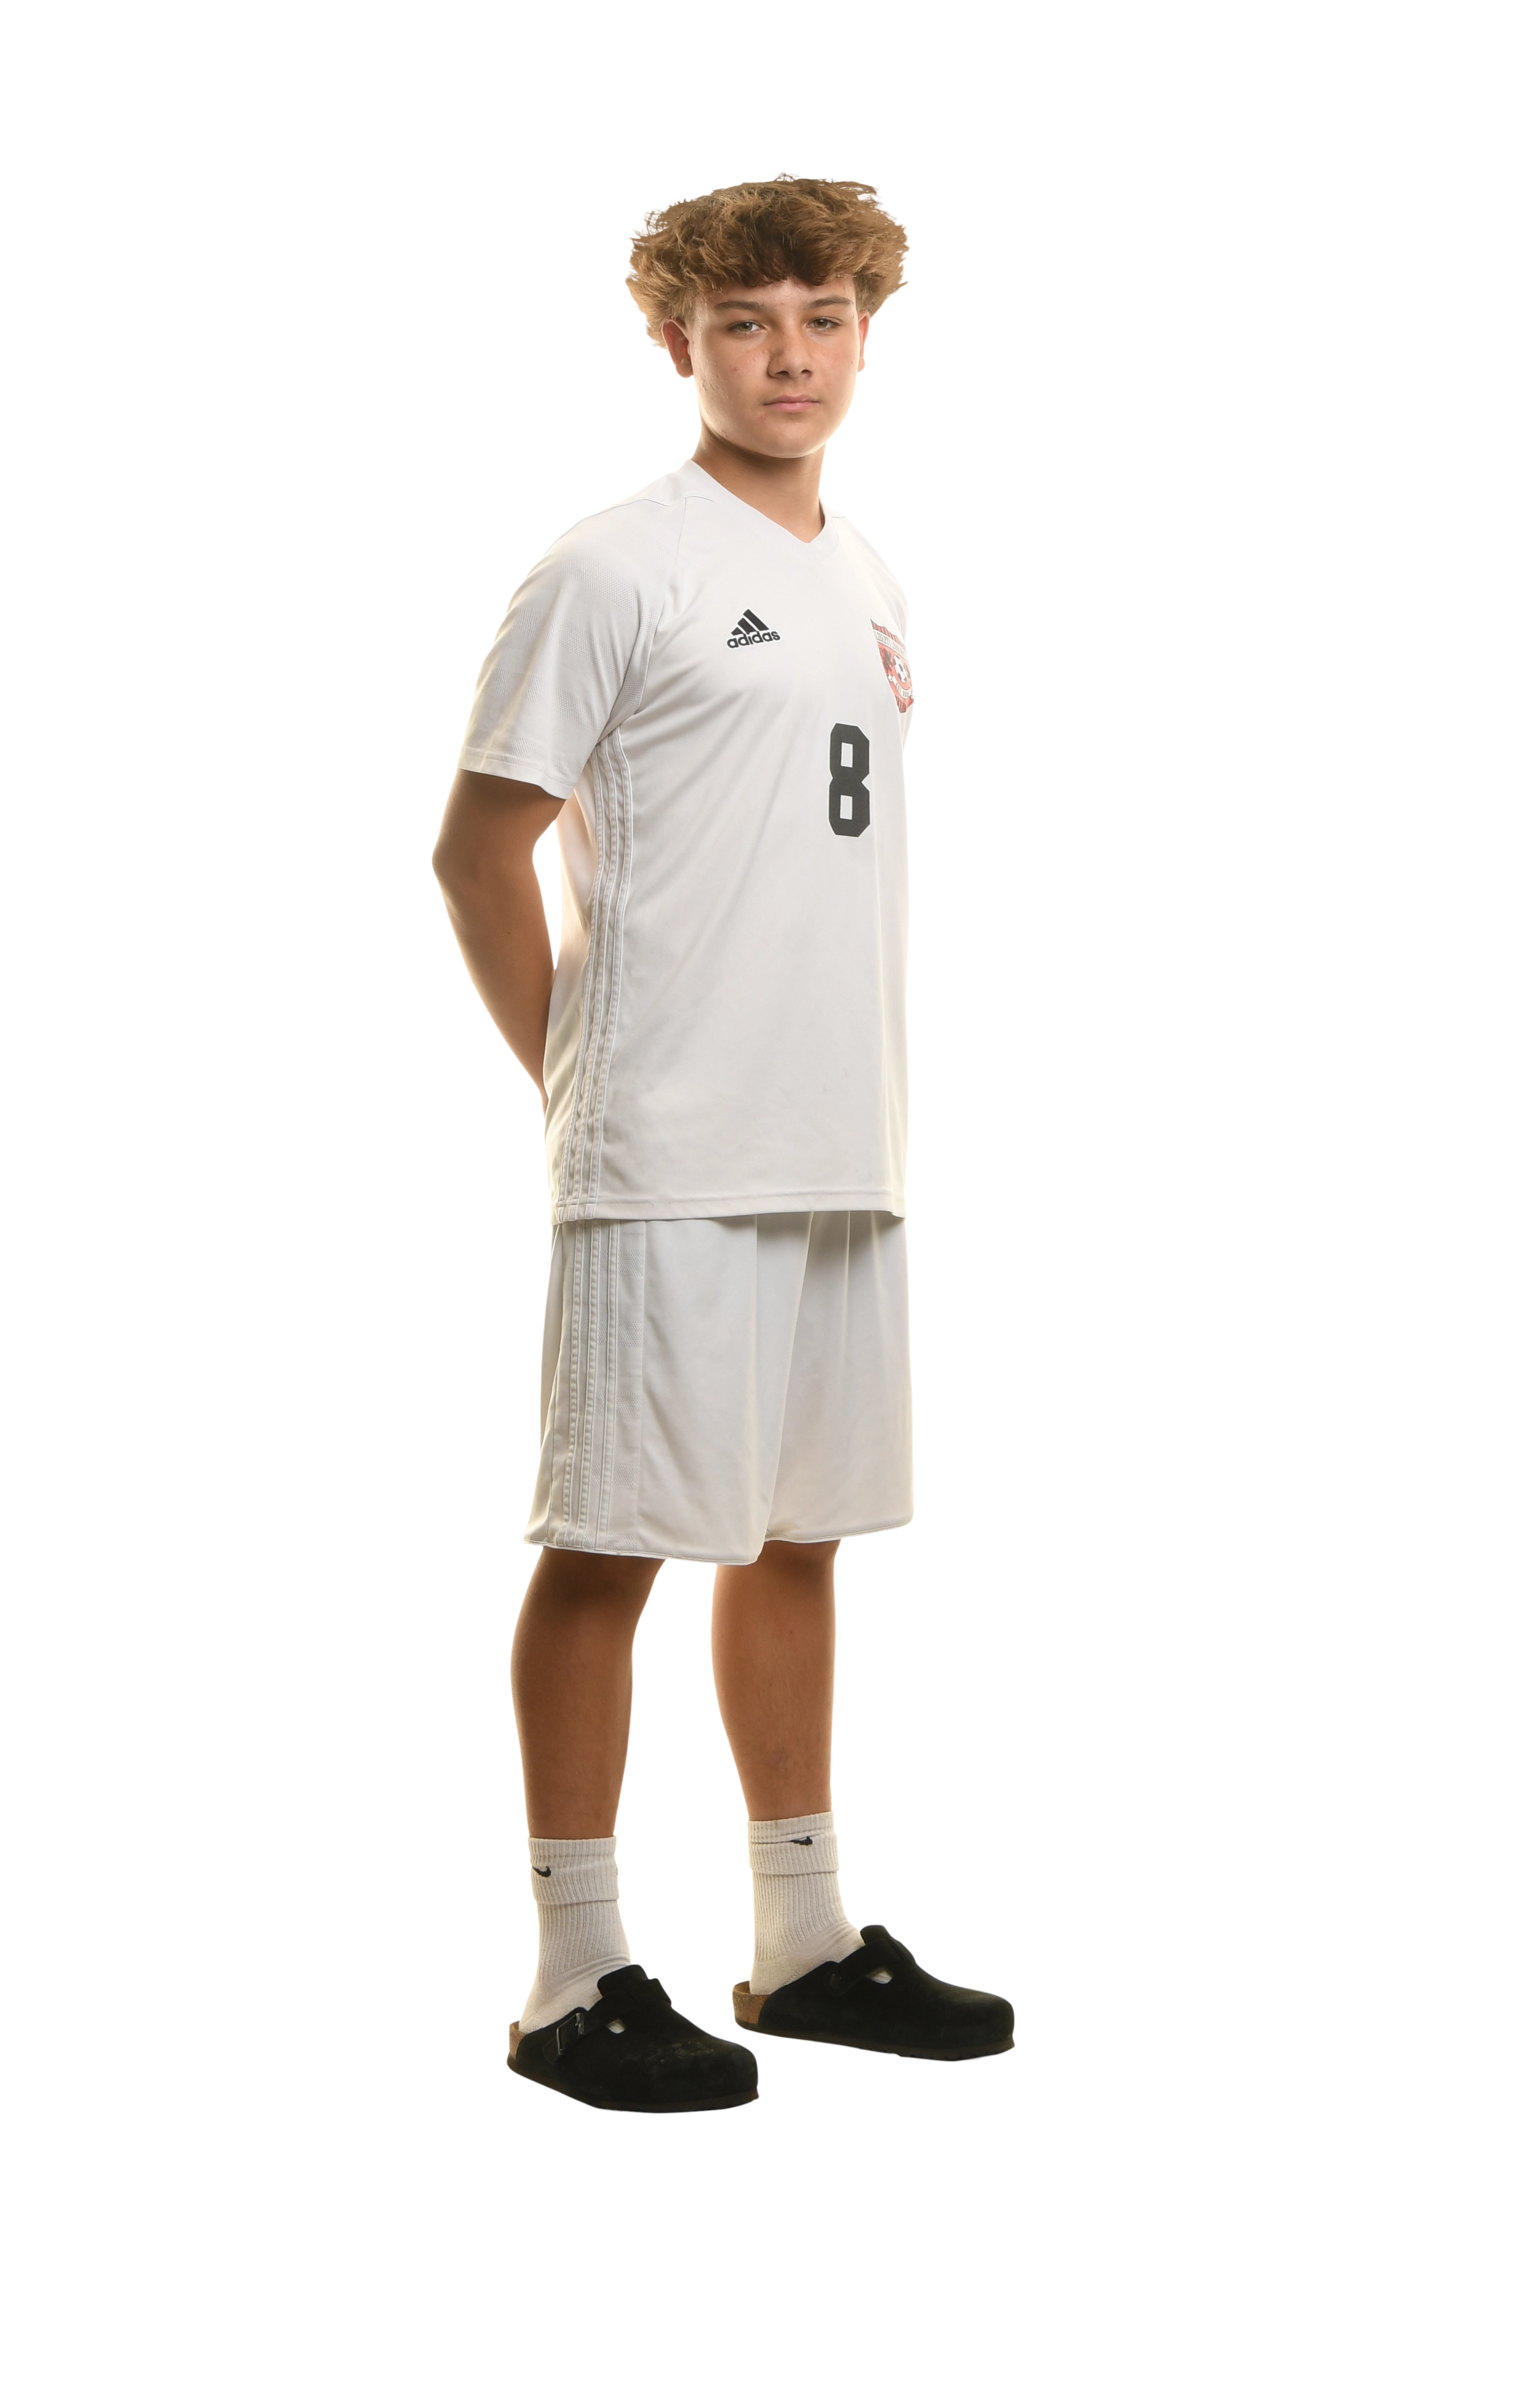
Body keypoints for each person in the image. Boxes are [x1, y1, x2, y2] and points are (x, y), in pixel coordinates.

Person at [432, 173, 1012, 2113]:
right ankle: (574, 1976)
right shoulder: (615, 567)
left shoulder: (872, 574)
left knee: (798, 1532)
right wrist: (574, 1078)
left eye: (825, 317)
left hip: (841, 1132)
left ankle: (804, 1936)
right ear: (671, 339)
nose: (790, 357)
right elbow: (478, 849)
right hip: (668, 1143)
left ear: (870, 333)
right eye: (746, 322)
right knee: (610, 1542)